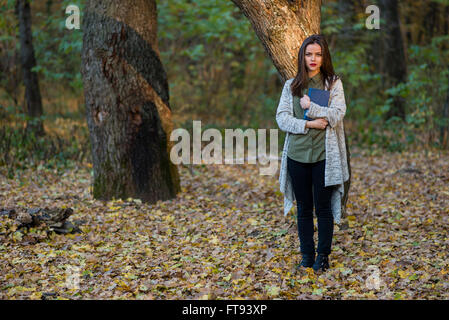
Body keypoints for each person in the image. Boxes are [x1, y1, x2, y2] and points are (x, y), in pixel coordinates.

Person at [276, 34, 350, 272]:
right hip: (297, 155)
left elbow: (338, 114)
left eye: (318, 54)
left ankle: (323, 256)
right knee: (304, 208)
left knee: (323, 207)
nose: (313, 59)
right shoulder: (292, 85)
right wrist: (308, 124)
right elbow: (282, 118)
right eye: (309, 54)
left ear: (324, 56)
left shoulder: (333, 83)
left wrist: (313, 108)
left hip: (324, 157)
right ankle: (307, 256)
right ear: (302, 57)